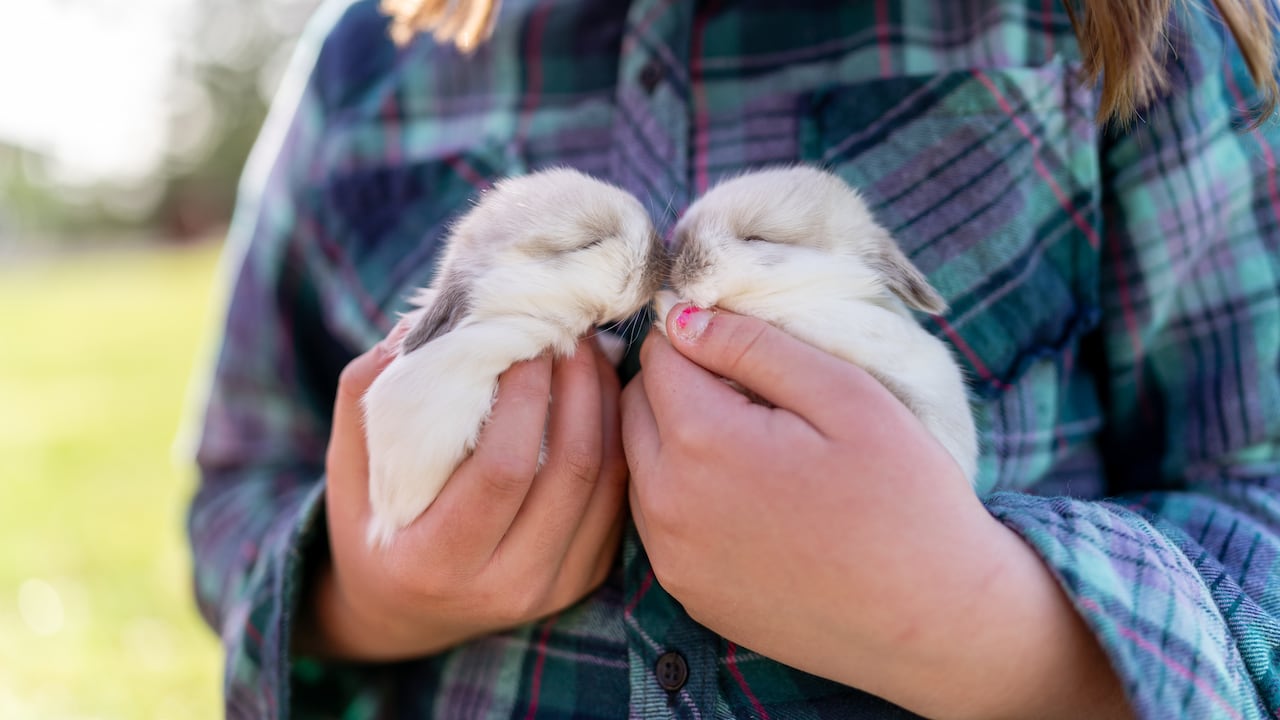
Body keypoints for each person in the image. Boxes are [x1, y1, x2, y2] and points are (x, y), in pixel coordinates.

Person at [187, 0, 1280, 717]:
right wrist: (373, 592)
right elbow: (235, 492)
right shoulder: (363, 65)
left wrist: (985, 626)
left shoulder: (1153, 33)